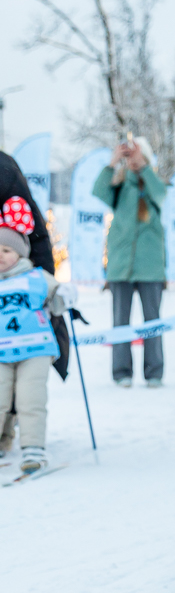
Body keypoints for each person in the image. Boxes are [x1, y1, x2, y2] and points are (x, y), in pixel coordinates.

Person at [0, 152, 69, 455]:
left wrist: (44, 286)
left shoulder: (4, 171)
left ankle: (17, 436)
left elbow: (29, 231)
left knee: (24, 385)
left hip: (19, 271)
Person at [93, 137, 167, 388]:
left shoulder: (153, 183)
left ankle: (154, 372)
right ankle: (121, 371)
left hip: (150, 266)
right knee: (120, 321)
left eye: (138, 156)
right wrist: (112, 164)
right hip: (120, 265)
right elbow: (99, 192)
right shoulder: (120, 184)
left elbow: (162, 195)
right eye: (129, 157)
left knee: (152, 321)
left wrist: (143, 167)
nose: (132, 161)